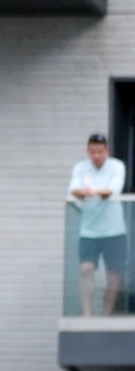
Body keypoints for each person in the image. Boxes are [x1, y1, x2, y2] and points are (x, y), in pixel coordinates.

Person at [69, 133, 128, 316]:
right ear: (88, 151)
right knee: (85, 269)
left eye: (100, 151)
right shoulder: (80, 168)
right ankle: (87, 313)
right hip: (89, 230)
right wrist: (84, 192)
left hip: (114, 230)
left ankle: (107, 314)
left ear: (107, 151)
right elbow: (73, 190)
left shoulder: (117, 166)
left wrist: (91, 192)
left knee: (114, 275)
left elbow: (112, 190)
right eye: (93, 152)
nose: (96, 156)